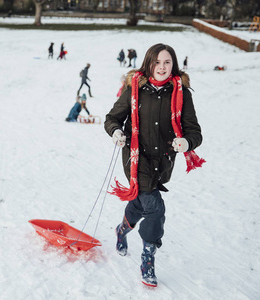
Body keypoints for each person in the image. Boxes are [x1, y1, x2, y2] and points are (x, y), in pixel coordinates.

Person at [104, 43, 204, 288]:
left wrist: (186, 142)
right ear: (148, 63)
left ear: (174, 65)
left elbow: (195, 132)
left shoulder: (182, 92)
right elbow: (112, 119)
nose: (161, 67)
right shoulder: (135, 88)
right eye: (157, 62)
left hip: (164, 161)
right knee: (155, 209)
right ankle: (148, 257)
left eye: (167, 62)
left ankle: (122, 229)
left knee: (140, 203)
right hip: (136, 158)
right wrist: (116, 131)